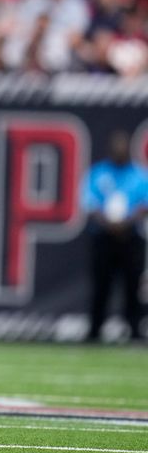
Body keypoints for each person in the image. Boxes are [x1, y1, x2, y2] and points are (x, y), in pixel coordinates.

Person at [80, 130, 148, 342]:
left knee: (132, 286)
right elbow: (89, 203)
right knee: (101, 286)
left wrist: (125, 223)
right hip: (104, 236)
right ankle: (95, 330)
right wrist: (110, 223)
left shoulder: (139, 175)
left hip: (131, 237)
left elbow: (144, 205)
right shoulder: (99, 173)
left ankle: (134, 329)